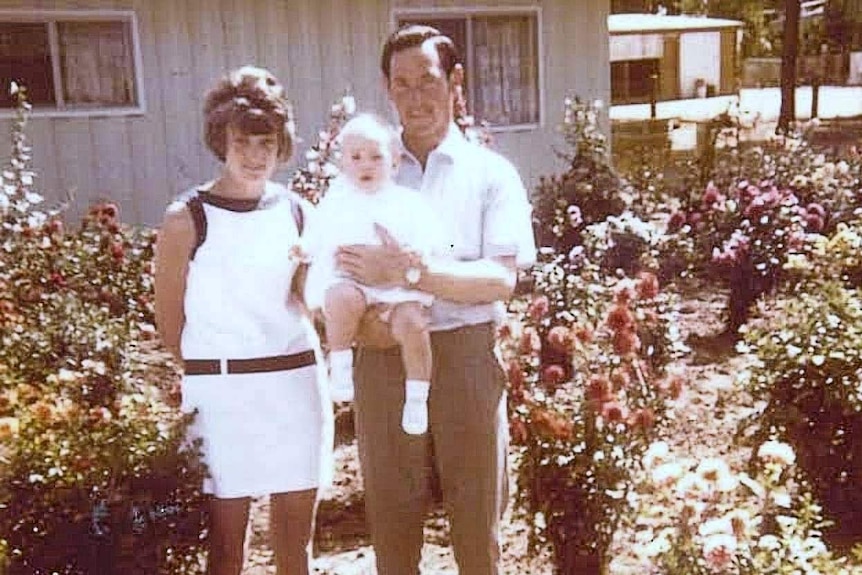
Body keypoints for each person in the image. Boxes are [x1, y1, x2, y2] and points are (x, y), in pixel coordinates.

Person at [335, 25, 537, 575]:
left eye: (427, 81)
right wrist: (367, 325)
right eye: (401, 85)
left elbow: (500, 280)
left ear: (456, 83)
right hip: (382, 356)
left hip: (466, 355)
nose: (415, 97)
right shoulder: (362, 170)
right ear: (387, 91)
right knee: (393, 529)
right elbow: (336, 268)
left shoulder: (489, 174)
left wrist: (412, 272)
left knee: (476, 529)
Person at [153, 65, 332, 575]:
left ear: (282, 145)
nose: (255, 156)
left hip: (296, 386)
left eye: (266, 143)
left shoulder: (299, 212)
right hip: (223, 396)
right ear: (221, 141)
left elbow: (311, 299)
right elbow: (170, 317)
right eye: (242, 142)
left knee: (295, 549)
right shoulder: (187, 218)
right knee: (227, 549)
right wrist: (208, 373)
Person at [297, 113, 444, 435]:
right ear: (343, 164)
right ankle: (340, 364)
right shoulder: (336, 202)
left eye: (377, 157)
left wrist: (420, 251)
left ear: (394, 163)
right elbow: (316, 235)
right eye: (356, 157)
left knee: (414, 326)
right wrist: (303, 249)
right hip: (354, 282)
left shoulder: (408, 202)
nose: (367, 165)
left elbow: (430, 235)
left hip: (399, 289)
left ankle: (417, 396)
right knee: (339, 298)